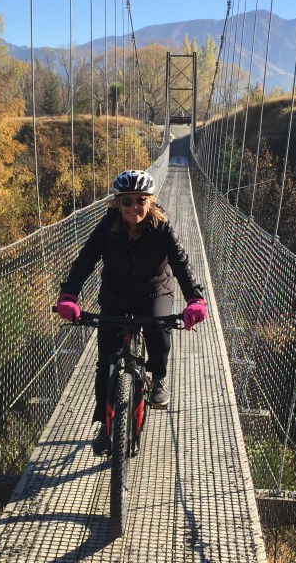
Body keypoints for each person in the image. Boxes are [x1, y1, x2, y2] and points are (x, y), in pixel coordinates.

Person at [55, 169, 207, 454]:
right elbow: (85, 260)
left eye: (141, 200)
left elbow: (181, 263)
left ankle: (158, 377)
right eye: (127, 201)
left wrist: (195, 299)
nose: (134, 207)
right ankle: (105, 426)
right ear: (117, 203)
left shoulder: (162, 228)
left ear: (151, 201)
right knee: (105, 364)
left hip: (154, 292)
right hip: (116, 296)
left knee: (159, 328)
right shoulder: (107, 227)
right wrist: (69, 295)